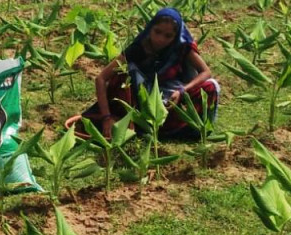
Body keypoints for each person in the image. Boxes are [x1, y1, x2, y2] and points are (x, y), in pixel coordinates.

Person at [74, 7, 220, 140]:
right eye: (157, 32)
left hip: (171, 99)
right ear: (150, 28)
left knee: (211, 86)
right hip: (141, 101)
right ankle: (131, 124)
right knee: (124, 74)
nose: (160, 39)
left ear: (175, 37)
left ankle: (185, 129)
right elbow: (101, 78)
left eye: (168, 36)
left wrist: (182, 91)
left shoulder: (181, 47)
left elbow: (206, 72)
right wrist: (106, 117)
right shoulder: (138, 49)